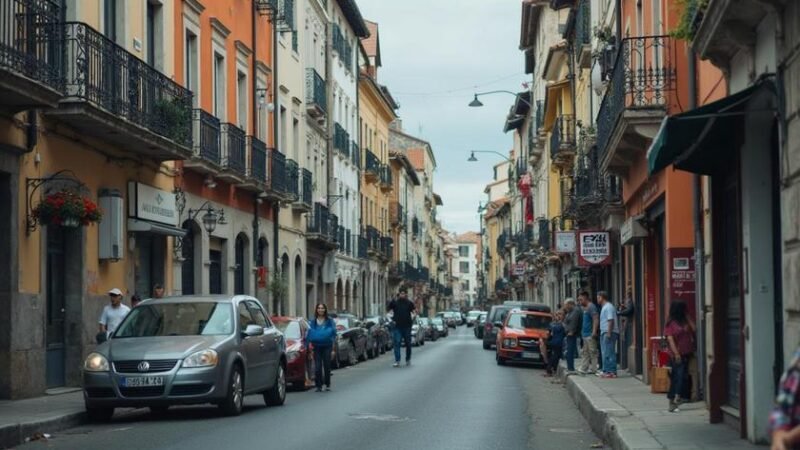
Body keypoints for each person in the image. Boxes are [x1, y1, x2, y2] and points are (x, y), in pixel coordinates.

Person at [664, 300, 695, 412]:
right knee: (678, 377)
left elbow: (694, 328)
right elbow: (670, 339)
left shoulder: (684, 321)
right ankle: (675, 398)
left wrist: (688, 317)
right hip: (677, 355)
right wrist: (676, 354)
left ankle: (675, 400)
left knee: (682, 376)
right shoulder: (671, 323)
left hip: (687, 352)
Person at [307, 303, 337, 392]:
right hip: (317, 347)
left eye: (322, 308)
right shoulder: (313, 322)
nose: (320, 310)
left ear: (325, 310)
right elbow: (309, 335)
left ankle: (327, 384)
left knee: (327, 366)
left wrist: (333, 350)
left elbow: (334, 335)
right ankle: (318, 385)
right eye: (319, 308)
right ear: (316, 310)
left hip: (327, 346)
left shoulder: (329, 321)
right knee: (317, 367)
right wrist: (310, 350)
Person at [388, 287, 416, 367]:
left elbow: (414, 312)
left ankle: (408, 359)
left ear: (406, 294)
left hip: (407, 326)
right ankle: (397, 360)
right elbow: (389, 309)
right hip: (397, 327)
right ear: (399, 294)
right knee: (397, 343)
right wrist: (391, 318)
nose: (402, 295)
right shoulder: (395, 303)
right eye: (401, 293)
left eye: (403, 293)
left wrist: (413, 317)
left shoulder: (409, 303)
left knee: (408, 343)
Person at [598, 291, 619, 378]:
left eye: (598, 297)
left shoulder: (608, 307)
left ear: (602, 297)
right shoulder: (605, 307)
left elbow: (610, 320)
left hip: (608, 332)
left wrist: (609, 332)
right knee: (605, 352)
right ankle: (606, 370)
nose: (597, 299)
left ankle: (611, 371)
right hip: (604, 331)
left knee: (609, 352)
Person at [578, 291, 599, 375]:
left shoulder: (591, 307)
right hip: (585, 334)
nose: (580, 302)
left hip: (590, 334)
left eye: (581, 299)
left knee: (592, 352)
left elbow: (595, 319)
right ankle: (584, 368)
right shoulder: (585, 308)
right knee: (585, 352)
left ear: (585, 298)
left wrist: (594, 331)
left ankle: (594, 368)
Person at [617, 287, 635, 369]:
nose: (627, 293)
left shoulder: (630, 300)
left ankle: (628, 365)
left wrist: (620, 312)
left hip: (629, 323)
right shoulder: (628, 300)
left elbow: (629, 310)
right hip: (626, 322)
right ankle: (627, 365)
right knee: (626, 340)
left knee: (628, 341)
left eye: (628, 291)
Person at [544, 311, 565, 377]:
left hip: (559, 342)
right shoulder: (556, 324)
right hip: (556, 342)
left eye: (560, 314)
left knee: (556, 357)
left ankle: (552, 370)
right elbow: (550, 331)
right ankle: (550, 370)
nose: (558, 316)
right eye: (557, 315)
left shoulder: (561, 323)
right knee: (555, 357)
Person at [563, 298, 582, 374]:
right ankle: (569, 367)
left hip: (572, 334)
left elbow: (574, 322)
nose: (565, 307)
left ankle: (571, 368)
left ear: (570, 304)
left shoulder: (575, 311)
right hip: (569, 334)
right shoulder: (570, 312)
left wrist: (571, 331)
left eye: (566, 305)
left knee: (570, 351)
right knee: (568, 351)